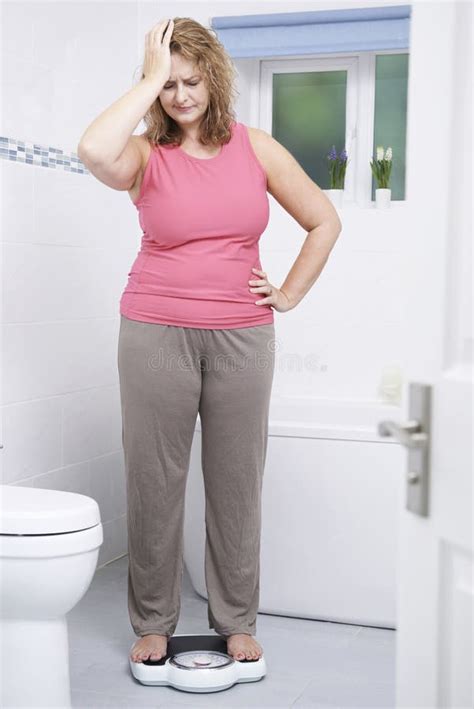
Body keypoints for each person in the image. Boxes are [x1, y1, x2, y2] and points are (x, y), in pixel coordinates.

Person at [77, 17, 342, 665]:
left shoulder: (256, 147)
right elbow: (91, 148)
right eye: (169, 85)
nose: (181, 96)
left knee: (235, 481)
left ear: (215, 79)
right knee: (155, 480)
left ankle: (235, 617)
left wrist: (289, 292)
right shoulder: (142, 153)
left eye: (192, 80)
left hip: (243, 335)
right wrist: (148, 76)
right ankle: (154, 620)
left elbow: (323, 220)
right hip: (153, 331)